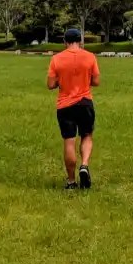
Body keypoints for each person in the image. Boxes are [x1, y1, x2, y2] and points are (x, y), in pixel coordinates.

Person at [47, 28, 100, 190]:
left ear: (65, 41)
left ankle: (71, 181)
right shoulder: (90, 57)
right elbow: (96, 81)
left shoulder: (56, 59)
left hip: (65, 105)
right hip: (85, 102)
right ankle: (84, 165)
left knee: (69, 141)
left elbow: (50, 84)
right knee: (87, 135)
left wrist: (61, 81)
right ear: (80, 41)